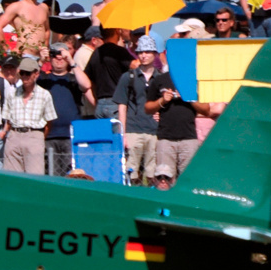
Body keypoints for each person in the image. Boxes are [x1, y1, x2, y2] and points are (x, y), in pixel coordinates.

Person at [144, 52, 220, 183]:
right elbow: (147, 108)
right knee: (164, 180)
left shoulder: (194, 81)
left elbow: (206, 110)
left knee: (189, 179)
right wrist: (162, 100)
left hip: (189, 138)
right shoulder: (160, 80)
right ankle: (166, 203)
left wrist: (188, 97)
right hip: (165, 139)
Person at [112, 36, 171, 184]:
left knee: (153, 174)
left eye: (147, 51)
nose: (143, 55)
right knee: (131, 173)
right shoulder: (128, 77)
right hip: (133, 130)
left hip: (155, 131)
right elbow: (122, 106)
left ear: (155, 53)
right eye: (140, 52)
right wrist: (123, 134)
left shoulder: (162, 78)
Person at [1, 57, 55, 174]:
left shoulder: (45, 95)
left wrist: (37, 137)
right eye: (22, 73)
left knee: (35, 178)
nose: (24, 76)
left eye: (28, 73)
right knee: (11, 179)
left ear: (36, 74)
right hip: (14, 136)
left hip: (34, 135)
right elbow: (8, 120)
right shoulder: (11, 94)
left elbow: (49, 122)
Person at [39, 44, 84, 175]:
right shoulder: (44, 79)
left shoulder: (73, 78)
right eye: (55, 57)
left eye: (62, 57)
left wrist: (72, 61)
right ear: (50, 59)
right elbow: (25, 80)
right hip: (49, 135)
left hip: (70, 135)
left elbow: (86, 85)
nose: (59, 60)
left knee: (71, 174)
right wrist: (41, 61)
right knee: (52, 173)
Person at [83, 27, 134, 121]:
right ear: (116, 31)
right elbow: (134, 65)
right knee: (118, 134)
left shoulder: (95, 53)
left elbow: (87, 79)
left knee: (103, 135)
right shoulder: (118, 51)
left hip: (100, 105)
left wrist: (96, 99)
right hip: (117, 103)